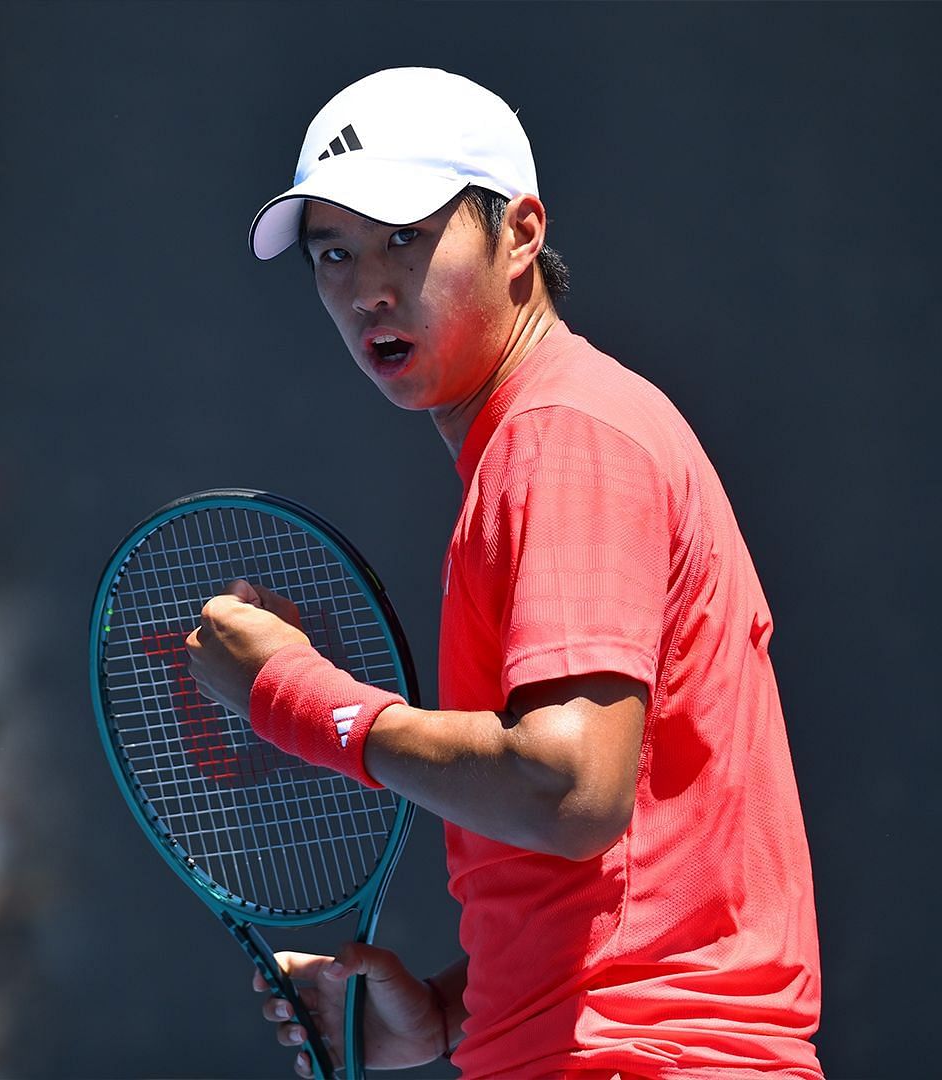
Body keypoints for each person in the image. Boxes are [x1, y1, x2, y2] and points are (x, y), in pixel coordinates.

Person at [186, 67, 821, 1077]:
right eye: (334, 254)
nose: (367, 290)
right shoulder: (556, 433)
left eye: (405, 238)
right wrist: (451, 1014)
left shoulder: (563, 435)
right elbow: (630, 858)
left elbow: (567, 788)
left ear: (521, 233)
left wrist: (294, 697)